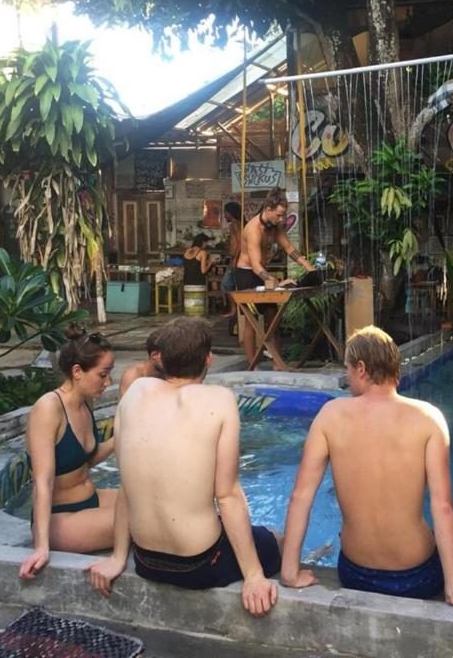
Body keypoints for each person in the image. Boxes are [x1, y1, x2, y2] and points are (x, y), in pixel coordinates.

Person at [85, 317, 280, 615]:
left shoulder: (134, 394)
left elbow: (127, 484)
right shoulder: (220, 399)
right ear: (208, 359)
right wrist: (254, 576)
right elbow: (227, 496)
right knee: (275, 537)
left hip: (145, 561)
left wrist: (117, 557)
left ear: (160, 358)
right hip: (198, 564)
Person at [279, 326, 453, 607]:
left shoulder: (330, 415)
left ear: (361, 369)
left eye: (347, 369)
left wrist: (289, 572)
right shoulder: (428, 418)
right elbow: (442, 507)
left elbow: (301, 496)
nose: (347, 378)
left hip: (357, 574)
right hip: (417, 577)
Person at [19, 327, 117, 580]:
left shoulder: (86, 401)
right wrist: (41, 547)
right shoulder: (48, 409)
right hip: (60, 519)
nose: (109, 382)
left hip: (90, 499)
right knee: (145, 519)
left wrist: (121, 439)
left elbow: (85, 461)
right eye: (103, 374)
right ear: (77, 371)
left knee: (153, 499)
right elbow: (43, 481)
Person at [234, 190, 316, 371]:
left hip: (263, 272)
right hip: (247, 273)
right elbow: (256, 267)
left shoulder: (275, 225)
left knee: (273, 318)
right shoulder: (253, 229)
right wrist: (277, 284)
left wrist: (309, 267)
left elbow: (288, 248)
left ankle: (277, 364)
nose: (281, 219)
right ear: (268, 209)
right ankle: (252, 365)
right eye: (279, 215)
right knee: (251, 320)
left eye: (283, 215)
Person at [117, 329, 164, 399]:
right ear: (155, 355)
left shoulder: (171, 373)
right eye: (169, 354)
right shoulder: (133, 376)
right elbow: (126, 408)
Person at [220, 201, 243, 317]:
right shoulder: (239, 224)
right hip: (236, 258)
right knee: (233, 284)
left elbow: (240, 243)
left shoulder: (235, 225)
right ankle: (236, 310)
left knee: (226, 284)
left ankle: (234, 310)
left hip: (237, 258)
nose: (224, 216)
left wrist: (234, 259)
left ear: (230, 213)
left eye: (225, 213)